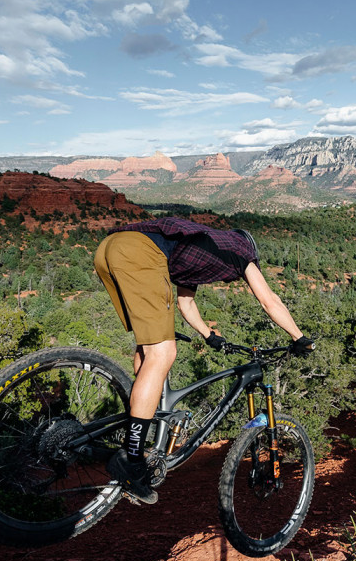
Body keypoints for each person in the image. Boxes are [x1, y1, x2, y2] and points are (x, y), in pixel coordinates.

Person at [94, 216, 314, 504]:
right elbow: (269, 300)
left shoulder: (203, 247)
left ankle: (141, 424)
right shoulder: (242, 252)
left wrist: (208, 334)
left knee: (149, 349)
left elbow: (186, 303)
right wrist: (299, 338)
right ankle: (132, 458)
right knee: (164, 352)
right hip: (139, 253)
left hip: (109, 249)